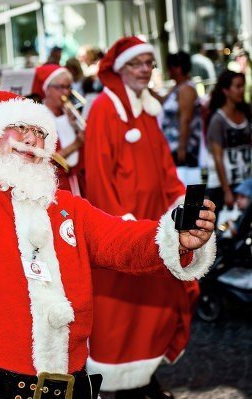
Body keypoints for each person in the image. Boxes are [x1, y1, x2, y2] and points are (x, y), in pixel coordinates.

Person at [0, 90, 216, 399]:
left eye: (40, 132)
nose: (31, 139)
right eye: (19, 127)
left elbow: (123, 241)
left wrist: (177, 235)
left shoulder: (66, 207)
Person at [84, 36, 200, 399]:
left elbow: (166, 169)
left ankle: (144, 377)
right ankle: (125, 384)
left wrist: (181, 201)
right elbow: (99, 176)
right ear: (121, 68)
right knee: (121, 318)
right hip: (126, 233)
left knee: (154, 313)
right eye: (138, 63)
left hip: (155, 229)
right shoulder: (105, 108)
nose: (146, 70)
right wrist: (123, 229)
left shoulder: (147, 110)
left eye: (150, 63)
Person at [32, 64, 85, 195]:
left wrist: (75, 126)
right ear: (47, 89)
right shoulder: (39, 118)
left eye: (68, 87)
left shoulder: (68, 113)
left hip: (78, 182)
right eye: (61, 87)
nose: (66, 92)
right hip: (57, 187)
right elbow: (45, 161)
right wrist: (76, 145)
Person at [205, 70, 252, 213]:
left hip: (244, 180)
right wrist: (226, 191)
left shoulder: (246, 112)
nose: (241, 90)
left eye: (242, 86)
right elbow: (218, 157)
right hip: (223, 185)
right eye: (237, 86)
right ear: (226, 90)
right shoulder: (218, 119)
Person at [160, 51, 204, 185]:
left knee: (185, 184)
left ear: (178, 68)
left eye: (170, 68)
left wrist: (182, 148)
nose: (168, 71)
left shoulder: (186, 89)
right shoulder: (177, 88)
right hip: (174, 146)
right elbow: (162, 101)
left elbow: (185, 120)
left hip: (184, 148)